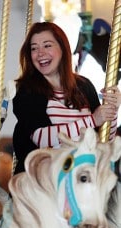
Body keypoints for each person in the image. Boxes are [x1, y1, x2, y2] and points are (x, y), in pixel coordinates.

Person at [12, 22, 120, 175]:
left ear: (62, 48)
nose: (40, 53)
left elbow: (104, 140)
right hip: (45, 178)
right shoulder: (26, 90)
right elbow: (42, 138)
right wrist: (93, 120)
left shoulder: (84, 86)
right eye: (34, 48)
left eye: (47, 45)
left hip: (82, 173)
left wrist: (112, 110)